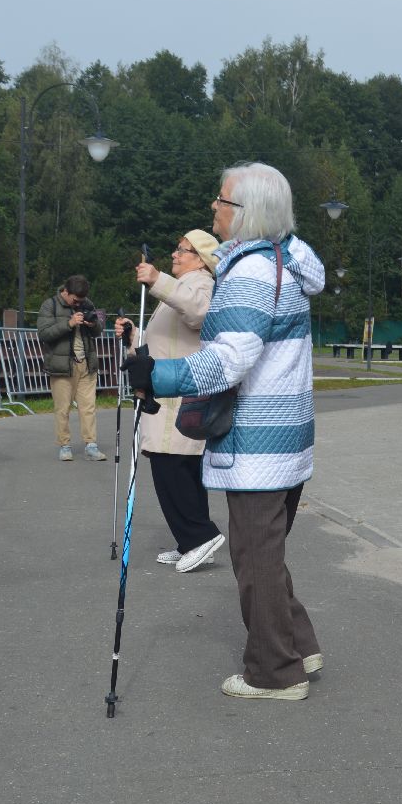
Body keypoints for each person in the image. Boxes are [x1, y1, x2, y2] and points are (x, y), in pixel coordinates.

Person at [126, 162, 326, 700]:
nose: (213, 207)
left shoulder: (251, 273)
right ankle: (298, 644)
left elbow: (228, 360)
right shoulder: (283, 261)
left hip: (257, 440)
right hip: (285, 434)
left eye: (221, 200)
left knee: (256, 560)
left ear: (246, 213)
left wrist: (159, 375)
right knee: (266, 552)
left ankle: (275, 673)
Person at [116, 230, 227, 574]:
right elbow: (163, 340)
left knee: (172, 471)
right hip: (171, 393)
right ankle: (191, 542)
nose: (175, 255)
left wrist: (158, 279)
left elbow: (199, 312)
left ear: (201, 259)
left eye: (183, 250)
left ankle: (201, 535)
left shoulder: (201, 284)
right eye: (177, 249)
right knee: (181, 471)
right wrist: (135, 337)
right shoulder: (179, 289)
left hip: (179, 394)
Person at [37, 275, 107, 462]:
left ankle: (91, 445)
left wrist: (93, 325)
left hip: (86, 362)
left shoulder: (87, 303)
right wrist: (69, 324)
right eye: (75, 300)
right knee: (62, 408)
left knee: (89, 407)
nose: (78, 304)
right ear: (65, 292)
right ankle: (65, 446)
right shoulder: (49, 305)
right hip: (62, 366)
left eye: (81, 301)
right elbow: (43, 333)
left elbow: (98, 331)